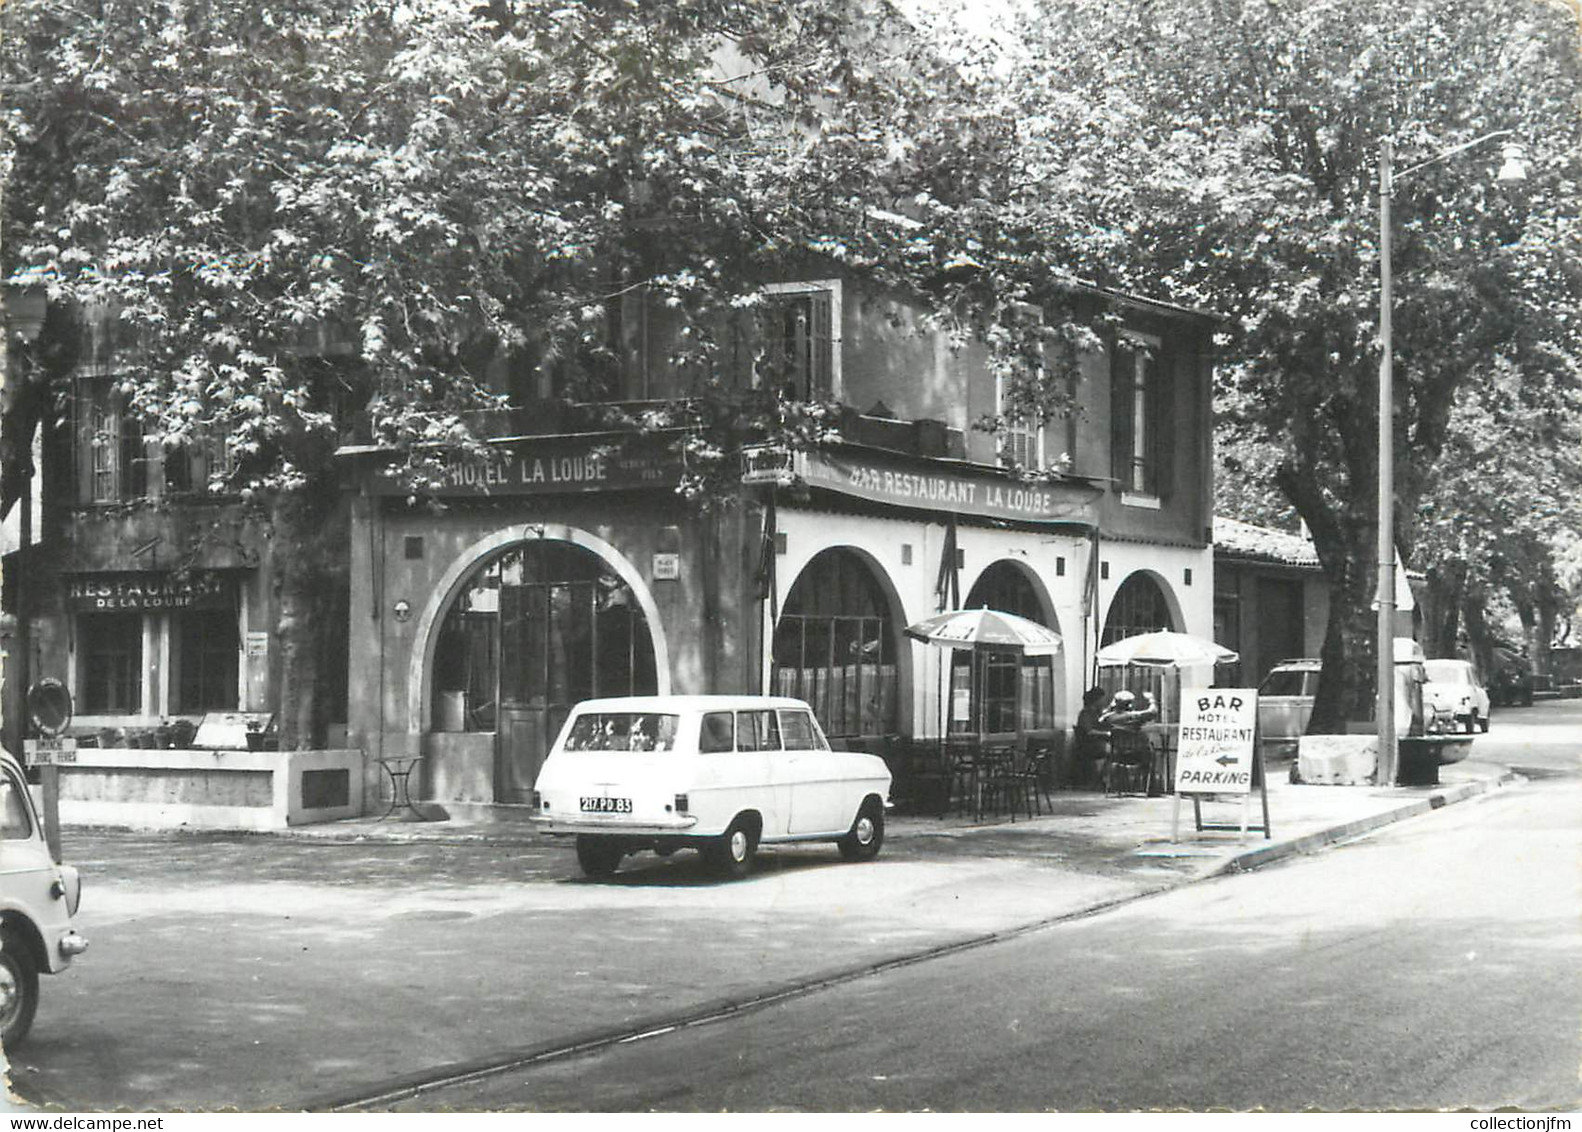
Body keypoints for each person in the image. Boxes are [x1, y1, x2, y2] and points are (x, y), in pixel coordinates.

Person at [1072, 686, 1112, 786]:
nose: (1104, 702)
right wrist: (1106, 733)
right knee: (1113, 751)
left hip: (1097, 743)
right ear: (1096, 700)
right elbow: (1089, 731)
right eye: (1102, 699)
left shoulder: (1098, 713)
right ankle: (1103, 779)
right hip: (1088, 746)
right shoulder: (1085, 714)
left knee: (1113, 750)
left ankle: (1105, 779)